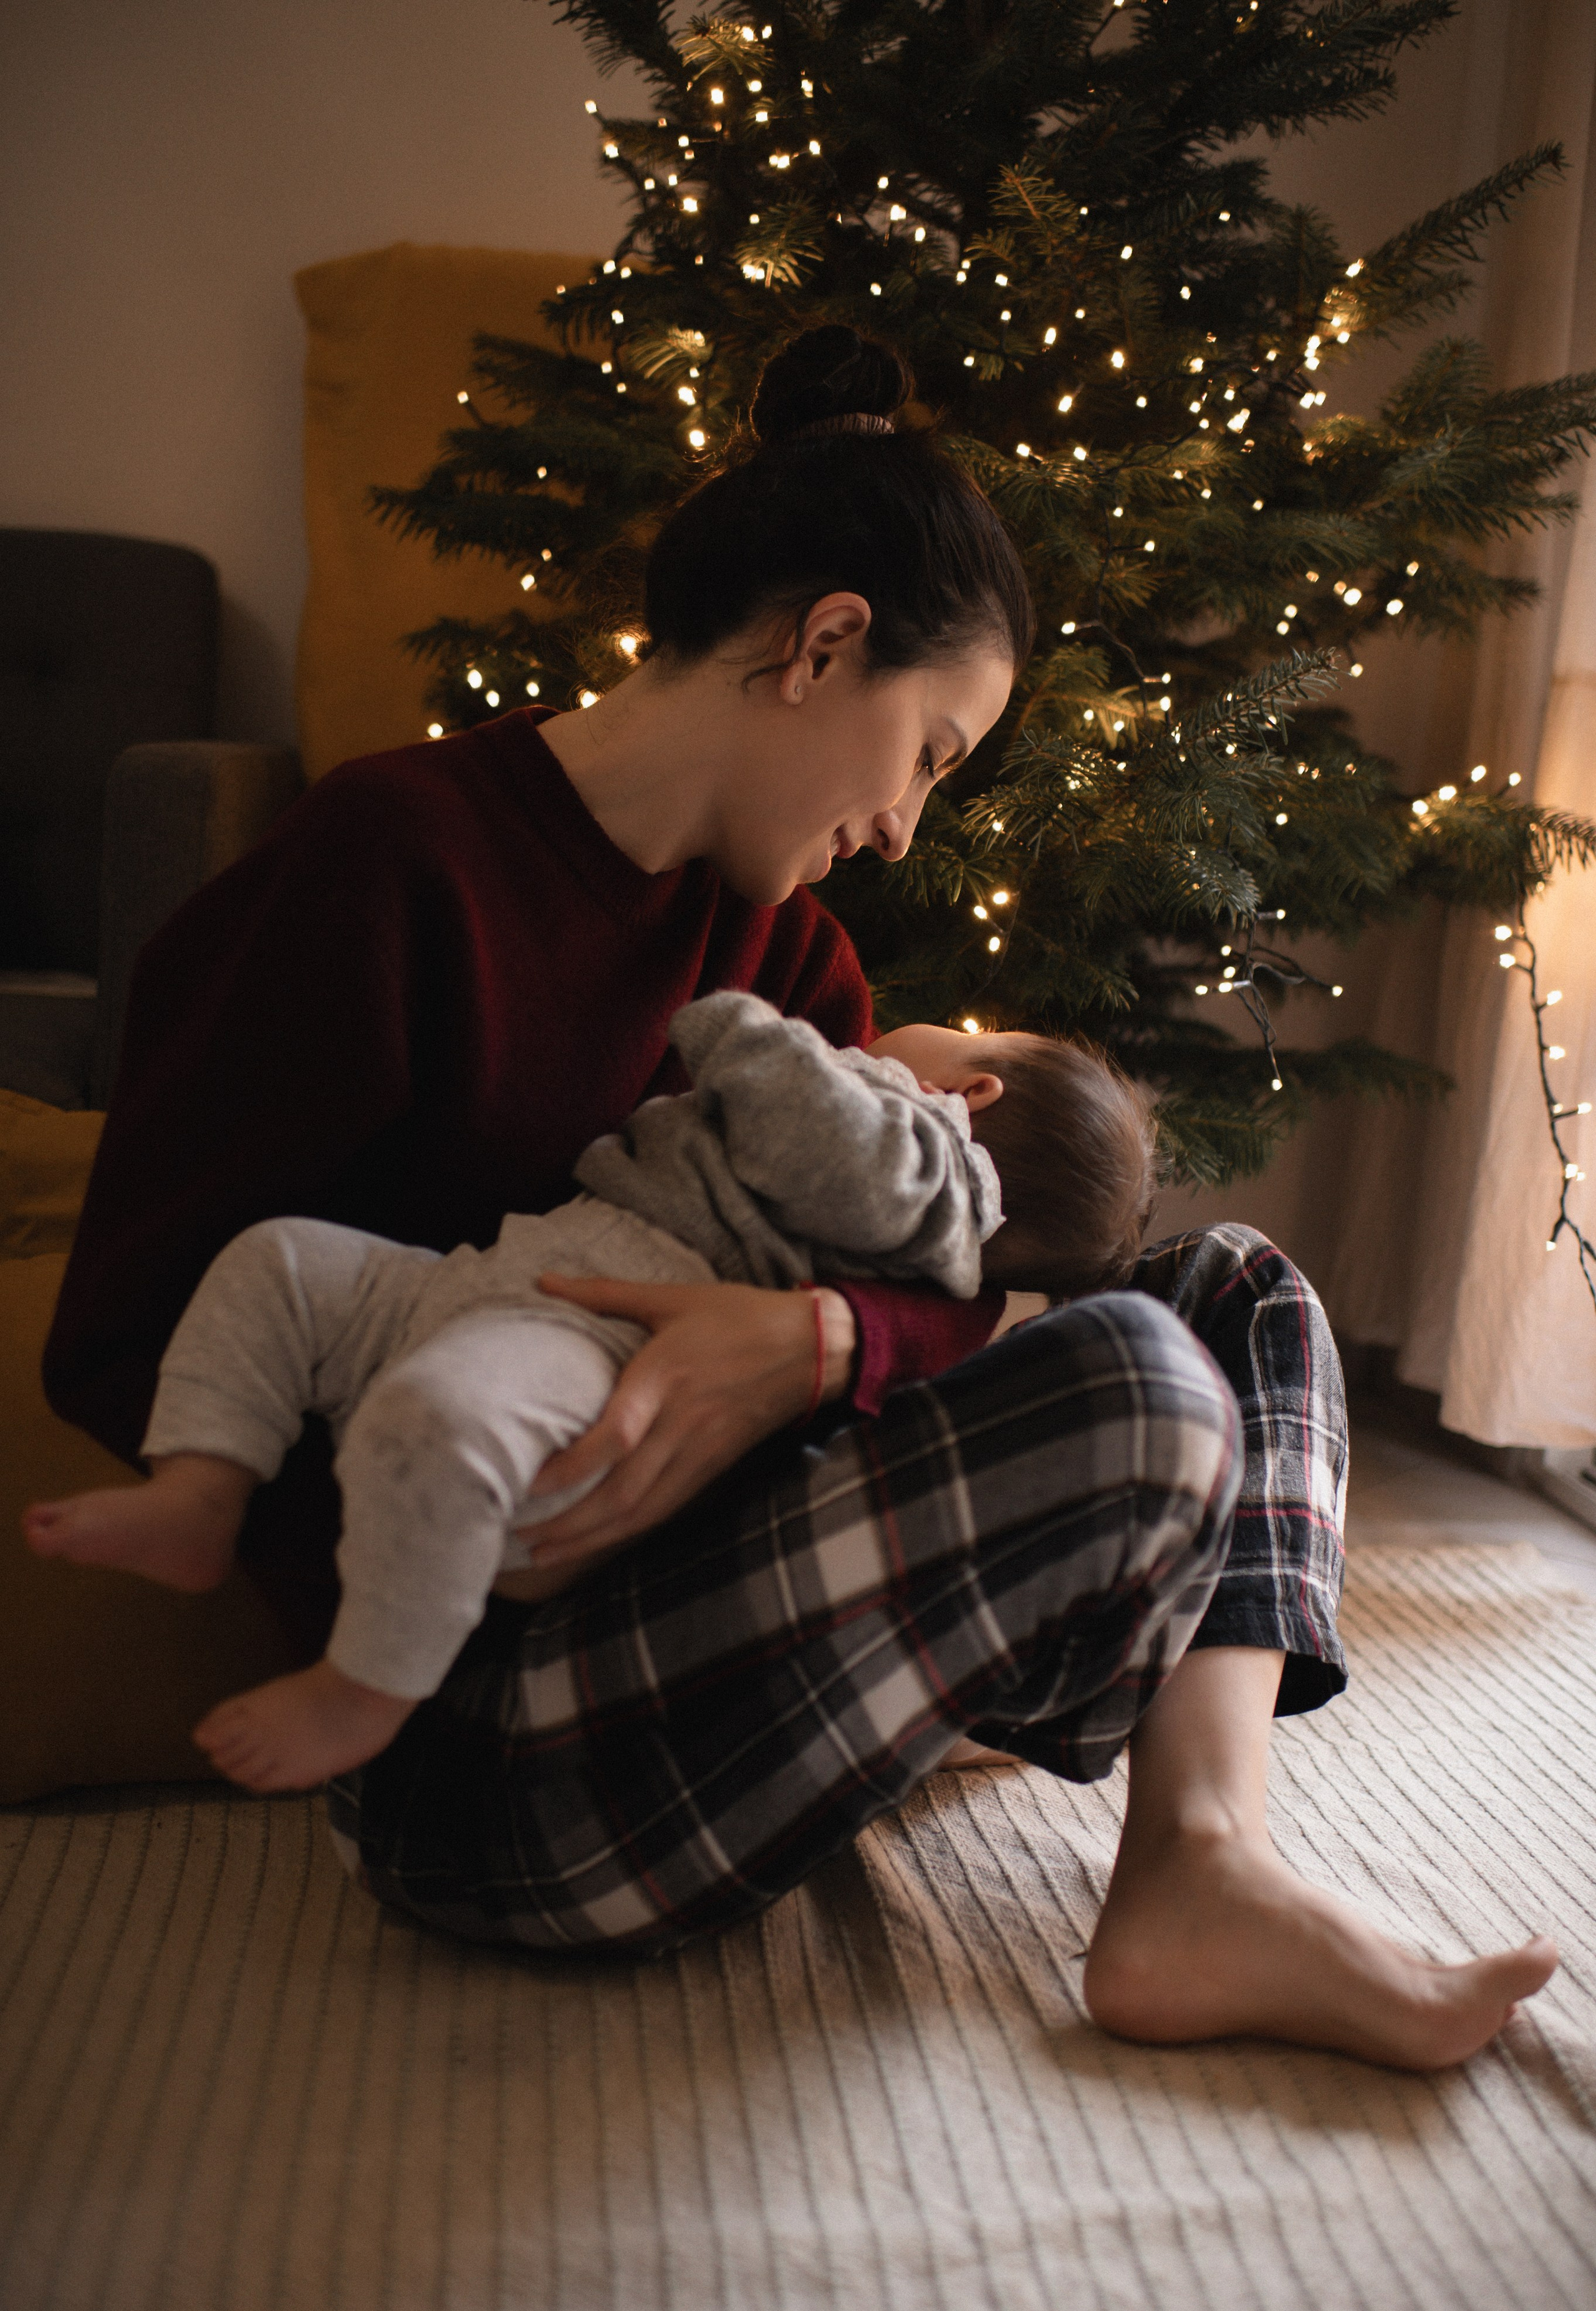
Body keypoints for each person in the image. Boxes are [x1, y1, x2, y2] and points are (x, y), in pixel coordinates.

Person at [41, 324, 1555, 2068]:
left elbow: (938, 1261)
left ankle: (1203, 1867)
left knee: (1236, 1289)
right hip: (482, 1726)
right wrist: (488, 1465)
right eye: (929, 753)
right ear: (823, 645)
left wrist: (813, 1347)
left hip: (740, 1625)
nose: (907, 826)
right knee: (1138, 1385)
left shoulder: (790, 959)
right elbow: (127, 1331)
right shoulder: (389, 868)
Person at [26, 996, 1155, 1790]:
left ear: (974, 1085)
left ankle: (367, 1686)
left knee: (442, 1425)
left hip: (590, 1336)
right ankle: (202, 1490)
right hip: (490, 1283)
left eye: (968, 1025)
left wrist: (743, 1028)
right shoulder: (915, 1163)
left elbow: (816, 1141)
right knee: (281, 1263)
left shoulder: (936, 1158)